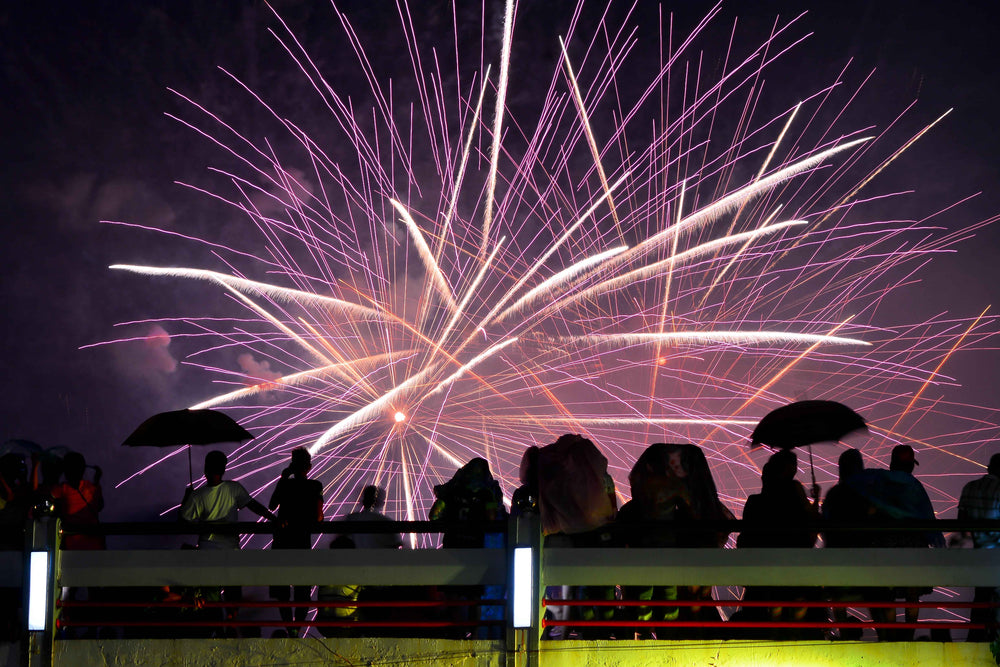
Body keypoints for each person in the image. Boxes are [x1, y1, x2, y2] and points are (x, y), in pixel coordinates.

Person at [850, 445, 944, 640]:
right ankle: (909, 635)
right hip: (913, 545)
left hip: (885, 544)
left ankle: (890, 635)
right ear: (910, 466)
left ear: (892, 462)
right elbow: (928, 519)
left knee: (888, 591)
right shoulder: (914, 485)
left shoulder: (879, 479)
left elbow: (860, 488)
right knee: (912, 592)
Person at [180, 450, 277, 632]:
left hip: (207, 552)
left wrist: (186, 497)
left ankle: (215, 631)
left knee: (211, 598)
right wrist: (274, 519)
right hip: (231, 551)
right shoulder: (234, 489)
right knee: (233, 597)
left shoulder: (197, 495)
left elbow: (183, 519)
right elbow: (253, 505)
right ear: (223, 468)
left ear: (205, 469)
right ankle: (230, 629)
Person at [735, 450, 820, 638]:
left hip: (762, 568)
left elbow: (746, 536)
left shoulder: (756, 501)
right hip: (792, 562)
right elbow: (812, 521)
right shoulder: (794, 490)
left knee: (775, 605)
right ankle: (793, 639)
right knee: (796, 603)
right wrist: (816, 499)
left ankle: (775, 638)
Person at [429, 457, 508, 638]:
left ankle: (457, 636)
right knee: (475, 599)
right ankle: (473, 637)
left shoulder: (452, 492)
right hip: (476, 553)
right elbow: (491, 519)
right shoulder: (487, 493)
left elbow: (433, 516)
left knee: (456, 600)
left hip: (452, 552)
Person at [268, 447, 323, 638]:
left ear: (292, 464)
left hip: (282, 541)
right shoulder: (316, 486)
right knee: (303, 590)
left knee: (282, 590)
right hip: (302, 541)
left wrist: (284, 477)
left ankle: (289, 628)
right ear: (309, 466)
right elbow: (319, 517)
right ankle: (296, 630)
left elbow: (272, 505)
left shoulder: (285, 485)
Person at [821, 448, 872, 639]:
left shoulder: (834, 494)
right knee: (875, 595)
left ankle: (842, 634)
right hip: (866, 556)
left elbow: (825, 525)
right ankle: (886, 634)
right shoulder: (867, 493)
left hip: (838, 556)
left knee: (838, 597)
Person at [957, 452, 1000, 641]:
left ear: (989, 468)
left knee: (980, 598)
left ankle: (975, 637)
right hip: (997, 554)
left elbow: (961, 524)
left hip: (977, 554)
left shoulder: (970, 487)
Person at [341, 485, 403, 549]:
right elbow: (397, 544)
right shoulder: (388, 523)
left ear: (363, 501)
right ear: (382, 503)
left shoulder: (350, 519)